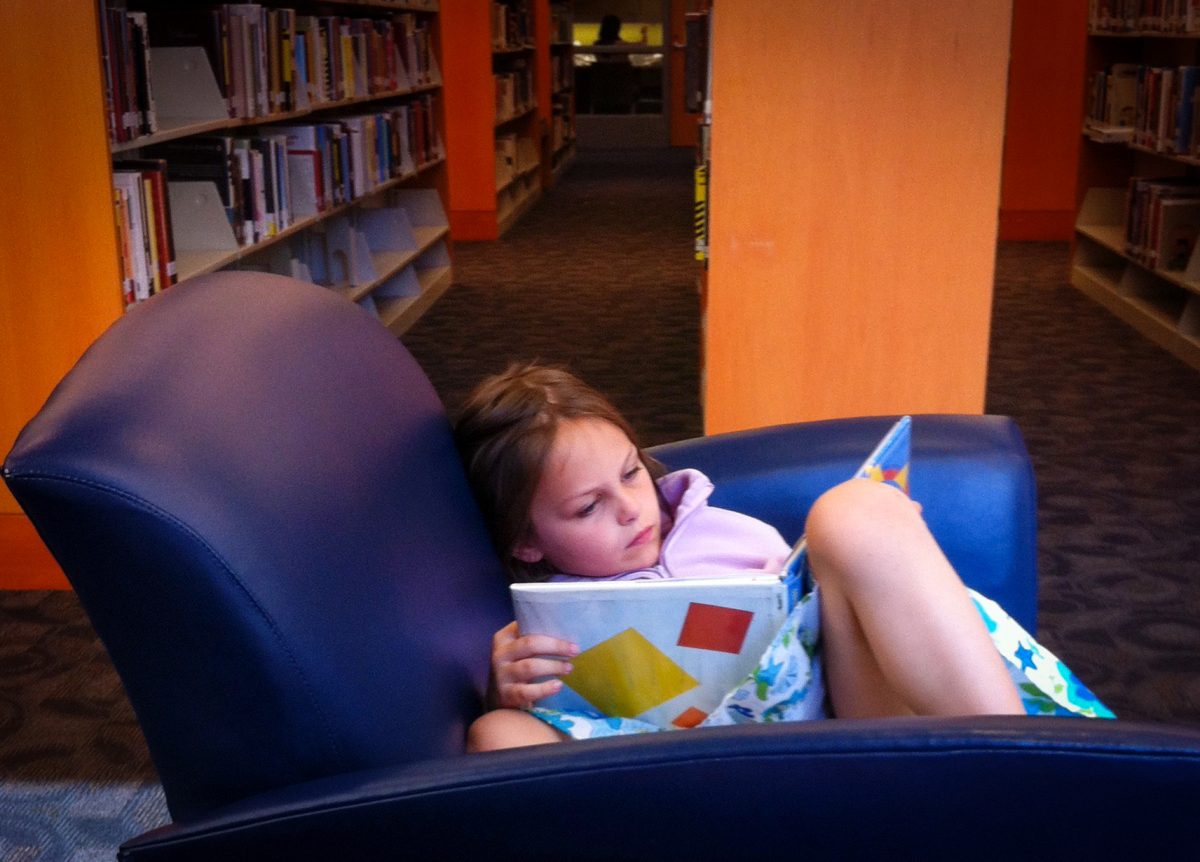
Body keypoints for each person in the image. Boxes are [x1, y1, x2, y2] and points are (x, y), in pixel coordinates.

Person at [453, 363, 1033, 752]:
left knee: (856, 512)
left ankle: (1024, 765)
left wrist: (882, 557)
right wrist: (506, 691)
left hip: (835, 727)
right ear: (526, 542)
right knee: (495, 732)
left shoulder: (727, 534)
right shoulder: (543, 628)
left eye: (632, 473)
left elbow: (822, 620)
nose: (632, 509)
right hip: (676, 772)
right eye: (588, 508)